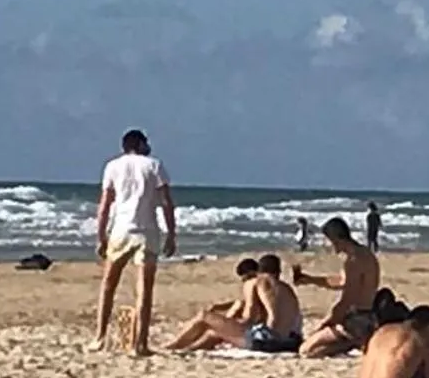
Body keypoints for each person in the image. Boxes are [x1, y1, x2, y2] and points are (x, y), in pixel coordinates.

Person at [90, 128, 176, 356]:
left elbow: (105, 205)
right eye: (145, 142)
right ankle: (140, 343)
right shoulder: (154, 166)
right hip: (147, 231)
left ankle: (99, 337)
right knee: (144, 290)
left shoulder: (112, 166)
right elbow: (167, 203)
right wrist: (171, 233)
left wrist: (101, 235)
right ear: (138, 144)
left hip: (121, 230)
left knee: (108, 285)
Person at [163, 255, 305, 353]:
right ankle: (187, 351)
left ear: (257, 271)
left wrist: (230, 321)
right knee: (213, 334)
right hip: (290, 342)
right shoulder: (287, 289)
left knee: (204, 316)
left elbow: (248, 319)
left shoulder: (256, 282)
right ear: (278, 272)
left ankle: (173, 346)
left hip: (268, 341)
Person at [294, 217, 383, 358]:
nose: (330, 246)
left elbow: (347, 300)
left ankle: (353, 343)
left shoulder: (353, 260)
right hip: (369, 317)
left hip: (355, 321)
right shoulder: (365, 254)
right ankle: (354, 342)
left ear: (336, 238)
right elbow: (343, 282)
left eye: (330, 241)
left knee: (306, 350)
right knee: (315, 340)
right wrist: (310, 279)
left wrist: (326, 322)